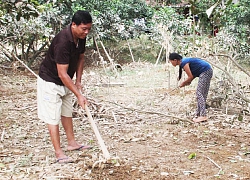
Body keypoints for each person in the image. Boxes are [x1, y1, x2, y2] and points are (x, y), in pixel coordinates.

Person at [37, 10, 93, 163]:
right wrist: (79, 95)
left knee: (66, 111)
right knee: (53, 117)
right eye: (84, 29)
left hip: (66, 80)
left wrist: (78, 81)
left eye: (89, 29)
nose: (86, 32)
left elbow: (81, 58)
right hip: (50, 81)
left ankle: (72, 143)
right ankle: (58, 153)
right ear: (73, 25)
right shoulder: (63, 41)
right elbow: (62, 73)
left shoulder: (81, 37)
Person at [169, 53, 213, 123]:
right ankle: (199, 114)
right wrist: (187, 82)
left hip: (205, 72)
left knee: (199, 93)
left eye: (171, 61)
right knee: (203, 94)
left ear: (175, 60)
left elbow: (190, 77)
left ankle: (203, 115)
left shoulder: (184, 62)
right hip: (208, 70)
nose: (171, 63)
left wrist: (184, 83)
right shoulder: (183, 62)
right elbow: (193, 75)